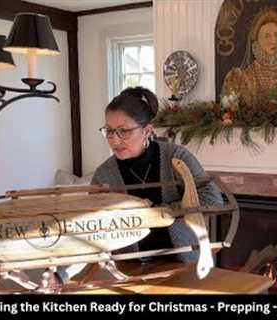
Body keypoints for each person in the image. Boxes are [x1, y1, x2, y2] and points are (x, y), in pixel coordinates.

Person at [56, 87, 222, 284]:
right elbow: (91, 233)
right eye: (109, 131)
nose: (114, 140)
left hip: (186, 266)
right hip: (132, 272)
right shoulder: (104, 175)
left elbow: (213, 200)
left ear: (147, 131)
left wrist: (159, 212)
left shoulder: (177, 157)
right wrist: (60, 275)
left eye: (124, 131)